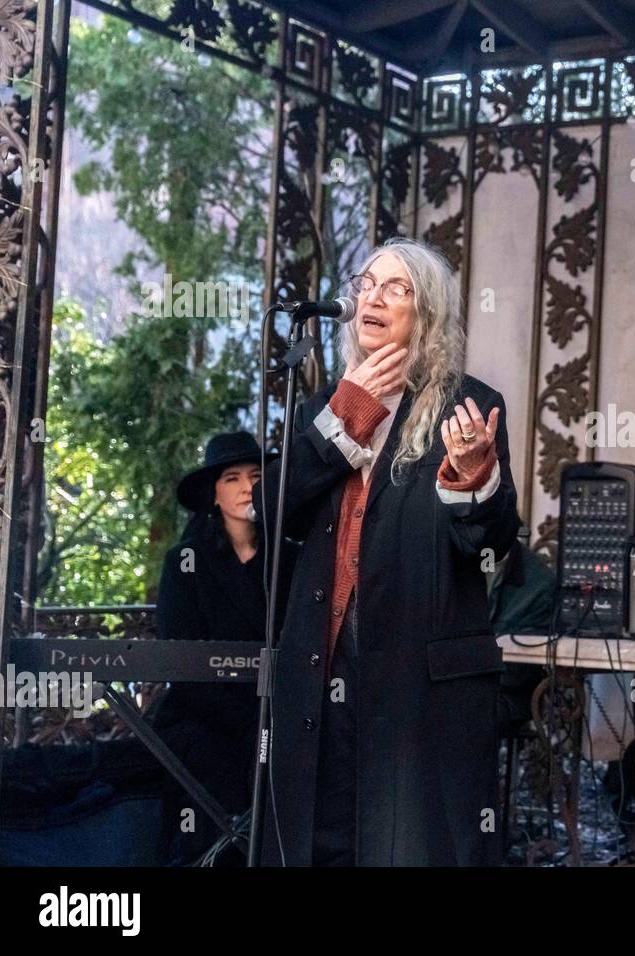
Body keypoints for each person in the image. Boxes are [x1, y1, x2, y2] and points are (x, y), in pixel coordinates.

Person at [257, 237, 519, 866]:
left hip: (414, 682)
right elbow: (271, 511)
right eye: (366, 284)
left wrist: (472, 477)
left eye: (395, 288)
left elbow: (493, 538)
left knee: (404, 846)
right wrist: (347, 416)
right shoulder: (327, 403)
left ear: (425, 313)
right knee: (320, 840)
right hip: (322, 669)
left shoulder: (470, 406)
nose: (371, 297)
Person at [154, 431, 275, 865]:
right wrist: (247, 722)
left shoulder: (289, 559)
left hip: (274, 712)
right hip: (203, 716)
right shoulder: (185, 562)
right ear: (214, 493)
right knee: (215, 772)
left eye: (257, 476)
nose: (247, 488)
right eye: (233, 478)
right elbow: (180, 661)